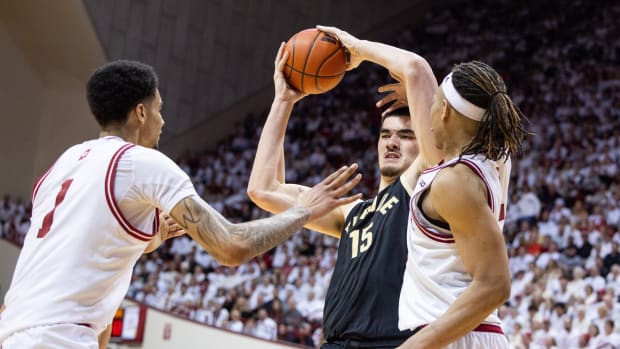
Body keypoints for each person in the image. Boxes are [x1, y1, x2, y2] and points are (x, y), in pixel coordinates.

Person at [0, 60, 362, 349]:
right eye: (158, 109)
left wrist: (145, 241)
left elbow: (79, 262)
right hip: (57, 338)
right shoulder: (143, 162)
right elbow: (231, 246)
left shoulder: (63, 164)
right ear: (140, 113)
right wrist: (304, 211)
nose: (163, 120)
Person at [318, 25, 527, 348]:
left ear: (443, 111)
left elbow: (495, 285)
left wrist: (357, 47)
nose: (423, 111)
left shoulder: (454, 181)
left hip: (455, 333)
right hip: (467, 331)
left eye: (433, 102)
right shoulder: (493, 157)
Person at [248, 43, 436, 348]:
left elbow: (415, 68)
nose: (391, 142)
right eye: (385, 134)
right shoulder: (354, 212)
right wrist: (283, 100)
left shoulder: (421, 193)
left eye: (406, 136)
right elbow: (263, 189)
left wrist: (357, 48)